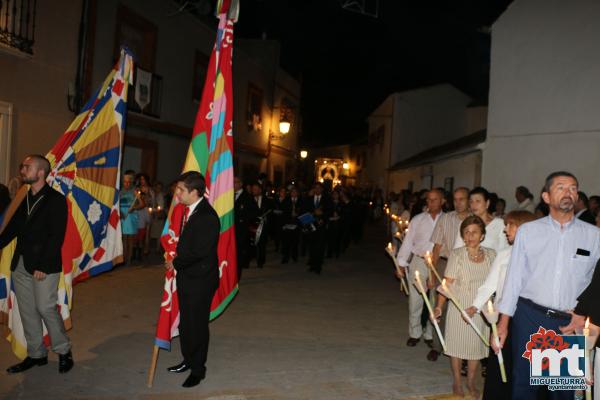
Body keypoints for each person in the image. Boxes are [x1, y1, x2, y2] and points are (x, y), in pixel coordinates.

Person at [497, 171, 600, 399]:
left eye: (573, 188)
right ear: (545, 197)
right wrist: (503, 322)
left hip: (568, 322)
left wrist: (587, 317)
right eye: (561, 187)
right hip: (530, 317)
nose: (568, 192)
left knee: (561, 390)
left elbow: (597, 282)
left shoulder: (593, 236)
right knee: (524, 387)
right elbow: (514, 278)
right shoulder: (529, 231)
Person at [2, 155, 73, 374]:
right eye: (22, 166)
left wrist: (43, 264)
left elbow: (56, 236)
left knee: (45, 307)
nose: (22, 170)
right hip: (21, 264)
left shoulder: (56, 200)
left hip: (44, 265)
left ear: (41, 172)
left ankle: (64, 351)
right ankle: (36, 354)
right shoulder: (24, 198)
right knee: (27, 311)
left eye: (27, 167)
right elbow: (13, 228)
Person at [467, 210, 535, 400]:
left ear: (524, 227)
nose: (505, 229)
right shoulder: (505, 254)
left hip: (528, 318)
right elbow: (490, 284)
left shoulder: (540, 255)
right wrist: (475, 305)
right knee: (500, 364)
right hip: (504, 318)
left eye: (510, 225)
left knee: (525, 366)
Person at [165, 171, 220, 388]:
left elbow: (199, 251)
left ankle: (198, 369)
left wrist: (175, 263)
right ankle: (188, 360)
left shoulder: (206, 216)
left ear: (194, 192)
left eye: (181, 190)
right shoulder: (188, 211)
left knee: (196, 325)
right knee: (186, 323)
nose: (177, 194)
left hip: (200, 280)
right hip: (188, 278)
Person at [434, 216, 496, 398]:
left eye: (474, 232)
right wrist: (439, 307)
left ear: (482, 235)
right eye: (466, 232)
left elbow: (495, 283)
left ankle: (470, 382)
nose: (470, 236)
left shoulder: (491, 255)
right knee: (457, 347)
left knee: (475, 349)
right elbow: (447, 284)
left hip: (481, 308)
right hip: (460, 307)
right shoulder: (457, 255)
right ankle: (457, 382)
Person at [395, 189, 444, 348]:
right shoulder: (418, 219)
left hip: (439, 264)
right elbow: (408, 242)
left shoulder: (448, 220)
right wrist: (401, 264)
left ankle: (430, 333)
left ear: (442, 201)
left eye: (435, 200)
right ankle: (414, 332)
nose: (431, 203)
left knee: (434, 300)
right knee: (415, 299)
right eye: (429, 200)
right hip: (419, 261)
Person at [426, 187, 469, 361]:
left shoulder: (474, 220)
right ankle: (437, 345)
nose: (458, 203)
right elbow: (436, 247)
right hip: (445, 264)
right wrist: (432, 274)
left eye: (462, 199)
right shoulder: (445, 218)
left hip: (466, 267)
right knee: (440, 306)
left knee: (462, 307)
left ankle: (460, 348)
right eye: (455, 199)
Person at [454, 187, 509, 253]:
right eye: (471, 202)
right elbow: (457, 250)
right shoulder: (464, 223)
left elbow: (504, 252)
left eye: (478, 201)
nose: (474, 205)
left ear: (487, 203)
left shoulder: (500, 224)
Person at [304, 182, 331, 274]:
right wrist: (311, 214)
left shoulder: (326, 199)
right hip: (311, 225)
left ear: (322, 189)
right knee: (312, 246)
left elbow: (329, 211)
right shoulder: (309, 199)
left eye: (319, 188)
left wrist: (322, 216)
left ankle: (318, 266)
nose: (317, 190)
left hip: (321, 226)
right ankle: (312, 264)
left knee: (320, 247)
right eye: (315, 188)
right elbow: (305, 210)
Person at [119, 172, 144, 265]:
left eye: (129, 182)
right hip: (122, 216)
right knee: (123, 239)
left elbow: (142, 204)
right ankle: (124, 258)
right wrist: (119, 212)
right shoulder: (120, 191)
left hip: (131, 216)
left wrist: (134, 208)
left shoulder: (135, 192)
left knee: (130, 239)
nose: (127, 184)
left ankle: (128, 259)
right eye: (125, 182)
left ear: (131, 182)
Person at [249, 182, 273, 268]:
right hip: (252, 225)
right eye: (252, 189)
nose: (253, 191)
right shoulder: (249, 199)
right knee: (252, 243)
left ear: (260, 190)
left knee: (262, 244)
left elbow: (271, 212)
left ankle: (261, 261)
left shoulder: (267, 200)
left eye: (255, 189)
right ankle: (251, 257)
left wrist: (266, 218)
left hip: (263, 226)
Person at [234, 177, 253, 278]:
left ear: (241, 184)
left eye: (235, 182)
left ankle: (237, 276)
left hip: (241, 230)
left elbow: (254, 212)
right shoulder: (229, 195)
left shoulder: (247, 197)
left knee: (238, 254)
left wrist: (244, 219)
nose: (233, 184)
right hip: (231, 229)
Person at [281, 186, 303, 264]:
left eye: (295, 192)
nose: (293, 193)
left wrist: (297, 214)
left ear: (298, 193)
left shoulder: (301, 201)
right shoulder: (286, 201)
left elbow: (303, 212)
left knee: (295, 242)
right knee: (286, 242)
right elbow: (283, 212)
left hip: (296, 224)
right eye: (292, 192)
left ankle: (294, 256)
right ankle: (285, 257)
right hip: (288, 224)